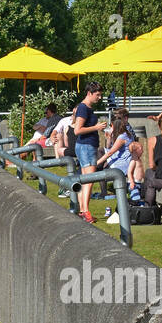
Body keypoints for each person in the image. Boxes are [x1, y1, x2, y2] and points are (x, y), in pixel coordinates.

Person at [72, 82, 105, 223]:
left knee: (85, 180)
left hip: (86, 146)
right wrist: (96, 127)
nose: (100, 97)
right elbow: (77, 130)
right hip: (86, 147)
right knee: (89, 180)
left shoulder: (85, 108)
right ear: (89, 93)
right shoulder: (83, 108)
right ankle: (85, 211)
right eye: (97, 94)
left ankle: (83, 211)